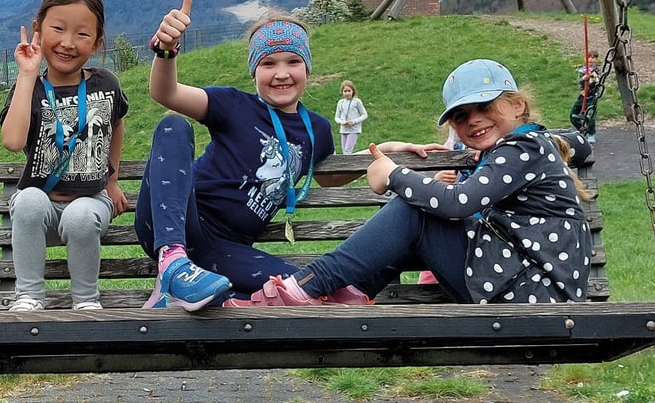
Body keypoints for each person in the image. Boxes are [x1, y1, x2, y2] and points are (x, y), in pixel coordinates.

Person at [135, 0, 446, 311]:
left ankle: (185, 298)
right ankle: (173, 264)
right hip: (172, 225)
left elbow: (331, 177)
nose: (281, 73)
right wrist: (166, 50)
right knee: (174, 126)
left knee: (309, 288)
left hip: (223, 251)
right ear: (254, 70)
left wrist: (385, 149)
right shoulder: (232, 105)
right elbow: (166, 92)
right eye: (268, 63)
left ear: (307, 68)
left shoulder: (317, 129)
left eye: (293, 61)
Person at [226, 59, 594, 308]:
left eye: (486, 107)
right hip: (523, 287)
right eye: (461, 117)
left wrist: (394, 176)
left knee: (414, 213)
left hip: (532, 298)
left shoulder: (523, 147)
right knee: (419, 215)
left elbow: (459, 202)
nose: (475, 121)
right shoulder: (528, 145)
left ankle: (308, 288)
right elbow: (575, 142)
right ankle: (341, 292)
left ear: (517, 106)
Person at [0, 0, 129, 312]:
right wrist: (28, 76)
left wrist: (112, 181)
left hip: (90, 201)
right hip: (42, 204)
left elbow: (116, 125)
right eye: (57, 29)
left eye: (82, 34)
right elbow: (13, 142)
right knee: (26, 199)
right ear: (39, 31)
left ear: (97, 42)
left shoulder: (106, 84)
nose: (68, 43)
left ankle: (85, 300)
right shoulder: (27, 88)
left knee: (81, 216)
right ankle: (29, 296)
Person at [569, 50, 600, 143]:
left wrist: (593, 78)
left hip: (591, 97)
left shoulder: (597, 70)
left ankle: (591, 133)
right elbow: (579, 81)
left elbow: (598, 81)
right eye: (588, 57)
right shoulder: (582, 70)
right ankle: (582, 129)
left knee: (590, 116)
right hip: (582, 97)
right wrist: (584, 78)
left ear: (596, 60)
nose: (590, 59)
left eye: (593, 57)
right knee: (573, 115)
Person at [333, 80, 368, 154]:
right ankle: (346, 164)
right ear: (342, 92)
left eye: (349, 91)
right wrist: (342, 122)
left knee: (348, 150)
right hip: (344, 129)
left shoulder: (357, 101)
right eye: (345, 91)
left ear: (353, 91)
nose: (347, 93)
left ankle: (346, 164)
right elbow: (336, 117)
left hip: (353, 129)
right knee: (344, 150)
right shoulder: (340, 102)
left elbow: (364, 115)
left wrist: (354, 121)